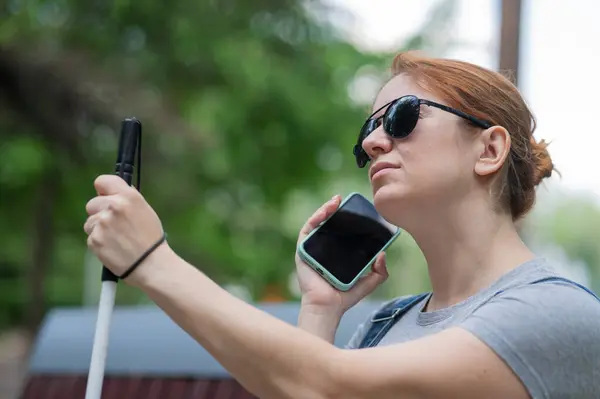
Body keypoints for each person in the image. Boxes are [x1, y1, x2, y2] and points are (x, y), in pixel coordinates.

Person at [84, 51, 600, 398]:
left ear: (488, 149)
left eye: (401, 117)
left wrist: (152, 261)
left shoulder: (554, 313)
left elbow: (324, 384)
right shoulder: (386, 327)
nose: (374, 143)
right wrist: (320, 311)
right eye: (367, 134)